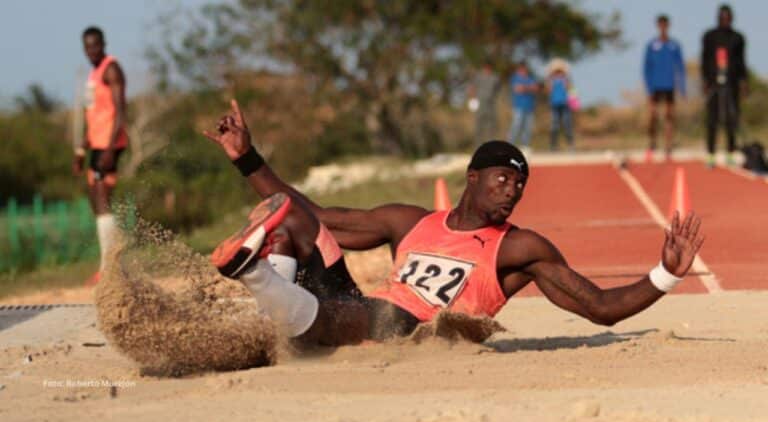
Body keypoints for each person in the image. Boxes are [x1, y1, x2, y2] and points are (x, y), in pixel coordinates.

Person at [202, 100, 705, 346]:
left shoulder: (517, 248)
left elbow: (599, 308)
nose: (513, 189)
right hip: (357, 310)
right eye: (503, 179)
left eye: (520, 185)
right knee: (294, 227)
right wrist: (246, 160)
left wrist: (666, 274)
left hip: (410, 331)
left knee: (392, 317)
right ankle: (269, 321)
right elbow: (318, 215)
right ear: (473, 177)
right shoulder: (412, 222)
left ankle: (255, 277)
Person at [73, 26, 128, 284]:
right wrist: (81, 149)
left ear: (103, 44)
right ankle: (112, 263)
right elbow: (93, 116)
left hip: (110, 145)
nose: (90, 50)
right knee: (95, 199)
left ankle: (111, 267)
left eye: (94, 45)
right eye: (86, 47)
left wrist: (109, 149)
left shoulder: (111, 69)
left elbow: (120, 111)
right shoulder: (93, 74)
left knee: (102, 196)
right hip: (96, 144)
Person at [701, 4, 748, 168]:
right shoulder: (710, 36)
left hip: (732, 82)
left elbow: (742, 61)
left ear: (732, 18)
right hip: (714, 82)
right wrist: (705, 80)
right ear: (718, 18)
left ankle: (730, 152)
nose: (725, 21)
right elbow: (705, 59)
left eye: (728, 18)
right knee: (712, 118)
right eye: (722, 18)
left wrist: (743, 82)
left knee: (731, 118)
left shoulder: (737, 38)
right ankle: (711, 154)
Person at [643, 14, 686, 162]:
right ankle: (652, 144)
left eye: (665, 24)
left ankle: (668, 148)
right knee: (653, 116)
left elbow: (680, 67)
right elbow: (646, 68)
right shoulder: (652, 46)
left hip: (669, 86)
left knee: (669, 117)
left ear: (668, 25)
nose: (663, 27)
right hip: (655, 86)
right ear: (657, 26)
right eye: (660, 24)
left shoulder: (674, 45)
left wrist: (682, 87)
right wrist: (648, 88)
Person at [468, 61, 502, 144]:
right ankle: (478, 145)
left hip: (491, 104)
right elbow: (472, 88)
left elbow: (498, 89)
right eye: (485, 67)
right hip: (480, 104)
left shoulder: (495, 77)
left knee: (491, 125)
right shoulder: (478, 76)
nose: (487, 69)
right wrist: (472, 99)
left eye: (488, 67)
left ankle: (491, 145)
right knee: (479, 124)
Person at [507, 62, 538, 150]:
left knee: (527, 128)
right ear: (519, 69)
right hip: (518, 107)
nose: (524, 71)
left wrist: (525, 88)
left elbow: (535, 88)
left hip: (530, 107)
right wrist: (529, 88)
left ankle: (525, 146)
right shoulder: (515, 78)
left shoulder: (530, 78)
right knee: (516, 126)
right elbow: (517, 89)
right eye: (522, 69)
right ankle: (510, 145)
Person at [546, 60, 574, 151]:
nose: (558, 73)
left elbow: (569, 89)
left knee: (567, 125)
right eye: (556, 72)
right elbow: (549, 90)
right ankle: (553, 146)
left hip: (565, 104)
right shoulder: (551, 80)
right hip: (554, 104)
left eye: (560, 71)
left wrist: (565, 80)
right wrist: (550, 80)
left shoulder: (565, 79)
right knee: (554, 125)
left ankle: (570, 145)